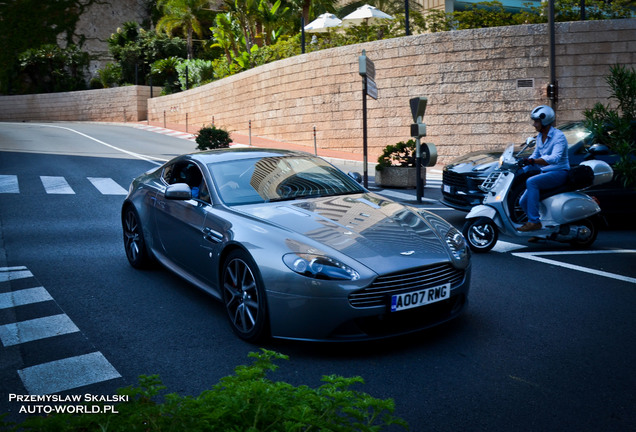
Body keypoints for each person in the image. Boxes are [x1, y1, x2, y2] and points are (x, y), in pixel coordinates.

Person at [517, 105, 570, 232]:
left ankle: (534, 222)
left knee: (532, 182)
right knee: (522, 202)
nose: (534, 124)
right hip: (545, 172)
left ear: (545, 121)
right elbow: (535, 155)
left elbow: (555, 158)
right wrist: (521, 165)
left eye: (536, 121)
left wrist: (533, 161)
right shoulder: (540, 137)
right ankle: (541, 230)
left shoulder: (559, 136)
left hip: (559, 172)